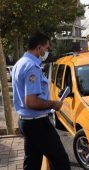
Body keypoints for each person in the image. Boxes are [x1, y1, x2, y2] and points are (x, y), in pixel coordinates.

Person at [12, 31, 71, 170]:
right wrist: (54, 104)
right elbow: (31, 102)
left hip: (26, 122)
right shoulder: (31, 67)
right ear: (39, 48)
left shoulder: (19, 63)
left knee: (32, 163)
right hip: (38, 124)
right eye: (47, 48)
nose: (47, 51)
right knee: (61, 161)